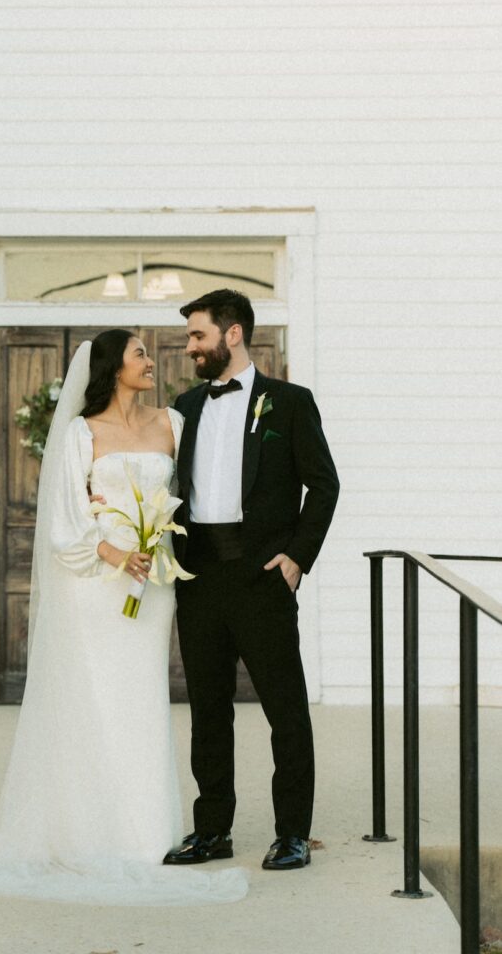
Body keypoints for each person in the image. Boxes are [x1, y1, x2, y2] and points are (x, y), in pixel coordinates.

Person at [0, 330, 247, 905]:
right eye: (139, 354)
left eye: (148, 354)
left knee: (140, 698)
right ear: (112, 367)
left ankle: (144, 830)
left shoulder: (173, 424)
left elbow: (196, 493)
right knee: (94, 698)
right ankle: (85, 826)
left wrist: (156, 548)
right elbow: (63, 518)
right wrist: (112, 551)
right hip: (96, 583)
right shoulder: (81, 433)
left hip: (151, 584)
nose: (151, 361)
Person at [163, 290, 339, 872]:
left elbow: (324, 484)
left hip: (262, 576)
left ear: (232, 334)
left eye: (198, 335)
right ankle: (212, 829)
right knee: (208, 711)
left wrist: (296, 557)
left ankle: (292, 833)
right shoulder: (185, 405)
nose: (190, 347)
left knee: (284, 710)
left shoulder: (288, 403)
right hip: (200, 578)